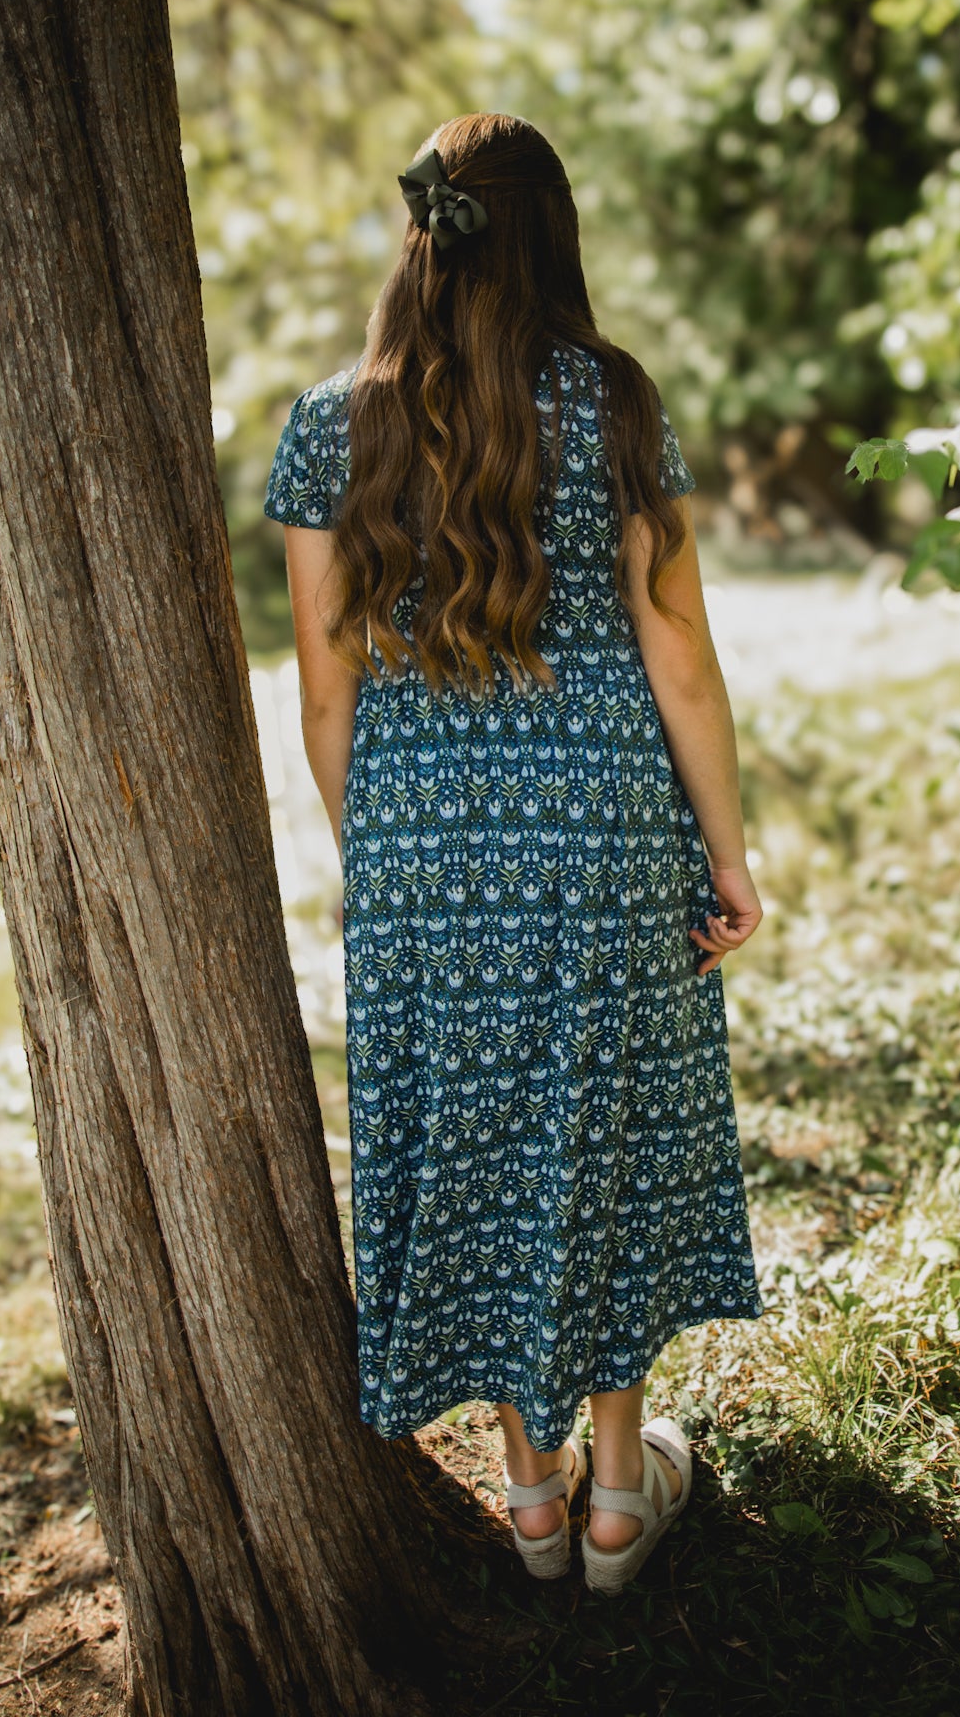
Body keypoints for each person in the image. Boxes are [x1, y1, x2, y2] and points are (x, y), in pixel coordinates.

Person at [265, 111, 763, 1594]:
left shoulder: (329, 422)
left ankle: (528, 1498)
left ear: (422, 228)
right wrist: (726, 856)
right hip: (604, 830)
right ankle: (622, 1491)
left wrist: (391, 862)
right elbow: (677, 657)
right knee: (602, 1128)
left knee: (469, 1136)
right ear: (552, 235)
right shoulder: (610, 403)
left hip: (425, 847)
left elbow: (320, 676)